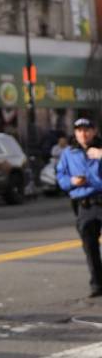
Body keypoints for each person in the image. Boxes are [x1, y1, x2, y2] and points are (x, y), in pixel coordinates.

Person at [55, 117, 102, 298]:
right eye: (79, 130)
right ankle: (97, 284)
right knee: (89, 247)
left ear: (94, 131)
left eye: (87, 129)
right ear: (75, 133)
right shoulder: (69, 153)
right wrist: (71, 181)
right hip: (85, 204)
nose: (83, 133)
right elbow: (61, 176)